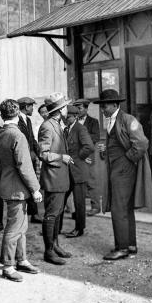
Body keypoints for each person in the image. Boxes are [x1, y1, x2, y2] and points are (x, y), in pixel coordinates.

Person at [94, 89, 152, 261]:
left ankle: (122, 248)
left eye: (105, 106)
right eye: (101, 106)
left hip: (123, 171)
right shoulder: (113, 120)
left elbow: (142, 143)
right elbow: (118, 144)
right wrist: (107, 150)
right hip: (117, 169)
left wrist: (127, 160)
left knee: (119, 209)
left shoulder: (127, 119)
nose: (102, 109)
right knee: (125, 209)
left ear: (115, 104)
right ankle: (130, 245)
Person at [0, 99, 43, 282]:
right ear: (17, 114)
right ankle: (8, 266)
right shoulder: (18, 135)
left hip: (8, 184)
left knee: (21, 226)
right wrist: (35, 189)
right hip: (17, 188)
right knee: (15, 228)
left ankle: (21, 259)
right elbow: (24, 166)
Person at [38, 92, 72, 265]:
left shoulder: (57, 124)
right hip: (53, 178)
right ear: (60, 110)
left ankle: (55, 245)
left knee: (58, 213)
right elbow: (43, 154)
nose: (67, 109)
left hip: (59, 177)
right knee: (51, 215)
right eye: (65, 106)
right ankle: (49, 251)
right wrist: (61, 157)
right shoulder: (47, 126)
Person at [63, 105, 94, 238]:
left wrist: (77, 158)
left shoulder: (80, 129)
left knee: (79, 203)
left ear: (75, 117)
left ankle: (79, 229)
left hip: (79, 171)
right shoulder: (66, 129)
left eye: (69, 117)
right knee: (61, 199)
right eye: (66, 117)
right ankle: (55, 228)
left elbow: (89, 146)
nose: (66, 119)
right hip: (67, 172)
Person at [72, 98, 101, 215]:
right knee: (77, 181)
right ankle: (78, 209)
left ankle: (95, 206)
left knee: (90, 180)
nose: (77, 111)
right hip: (76, 155)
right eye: (76, 109)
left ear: (86, 108)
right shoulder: (73, 121)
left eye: (79, 108)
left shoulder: (93, 122)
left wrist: (83, 140)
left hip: (88, 154)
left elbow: (96, 137)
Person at [17, 96, 41, 223]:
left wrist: (39, 152)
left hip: (31, 158)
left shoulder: (28, 120)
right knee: (25, 185)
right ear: (26, 107)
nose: (33, 108)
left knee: (32, 185)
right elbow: (20, 141)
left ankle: (34, 214)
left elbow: (32, 139)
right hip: (23, 158)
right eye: (32, 106)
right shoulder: (17, 120)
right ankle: (24, 214)